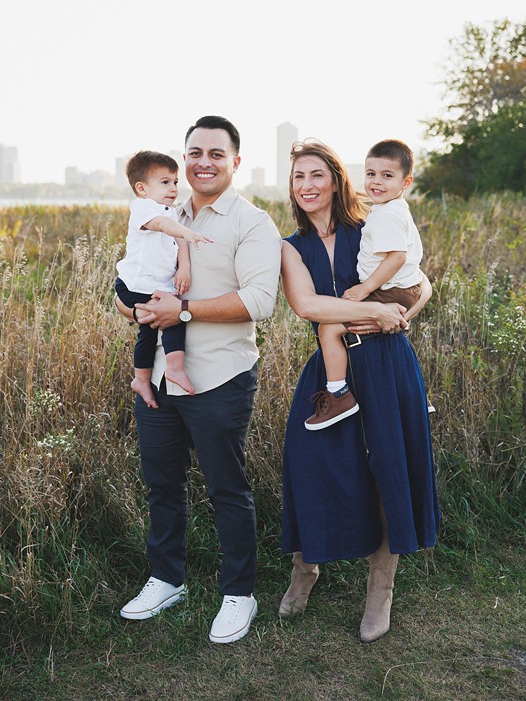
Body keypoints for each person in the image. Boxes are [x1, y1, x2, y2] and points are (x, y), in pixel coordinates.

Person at [115, 116, 281, 644]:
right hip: (161, 379)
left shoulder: (252, 223)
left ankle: (240, 593)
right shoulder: (166, 209)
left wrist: (180, 311)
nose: (203, 161)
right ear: (183, 160)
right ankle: (167, 579)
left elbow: (260, 302)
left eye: (215, 152)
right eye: (194, 152)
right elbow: (138, 281)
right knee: (163, 486)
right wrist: (129, 306)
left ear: (236, 159)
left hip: (220, 378)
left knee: (227, 488)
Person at [279, 139, 440, 643]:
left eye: (316, 175)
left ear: (335, 180)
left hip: (387, 362)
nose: (307, 185)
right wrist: (373, 310)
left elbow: (422, 280)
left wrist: (402, 317)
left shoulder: (370, 224)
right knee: (310, 464)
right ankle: (306, 569)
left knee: (388, 468)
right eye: (298, 177)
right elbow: (308, 306)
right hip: (333, 366)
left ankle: (381, 589)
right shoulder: (289, 245)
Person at [305, 139, 430, 430]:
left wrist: (364, 289)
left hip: (390, 290)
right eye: (371, 173)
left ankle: (338, 394)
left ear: (406, 181)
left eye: (387, 176)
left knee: (329, 328)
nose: (376, 182)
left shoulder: (388, 214)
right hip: (402, 288)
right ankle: (416, 395)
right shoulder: (389, 208)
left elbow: (396, 257)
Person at [116, 151, 213, 408]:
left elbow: (177, 238)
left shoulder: (169, 212)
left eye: (175, 182)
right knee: (173, 318)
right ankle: (175, 368)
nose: (173, 188)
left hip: (154, 286)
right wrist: (189, 232)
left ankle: (141, 379)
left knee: (148, 333)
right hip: (135, 285)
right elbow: (163, 226)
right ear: (142, 188)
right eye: (165, 182)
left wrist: (185, 267)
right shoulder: (144, 208)